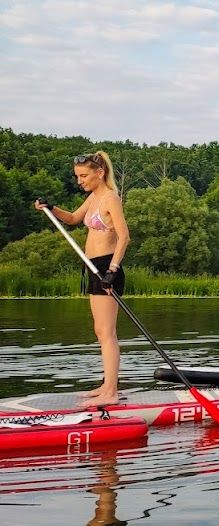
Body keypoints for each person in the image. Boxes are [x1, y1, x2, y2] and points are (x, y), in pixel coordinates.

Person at [34, 151, 130, 408]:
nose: (80, 181)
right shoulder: (93, 198)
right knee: (100, 331)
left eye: (84, 176)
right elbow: (74, 219)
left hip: (107, 268)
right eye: (78, 176)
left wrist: (112, 269)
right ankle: (106, 385)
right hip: (92, 267)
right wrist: (51, 208)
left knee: (107, 332)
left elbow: (124, 236)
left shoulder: (110, 198)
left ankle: (111, 391)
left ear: (100, 173)